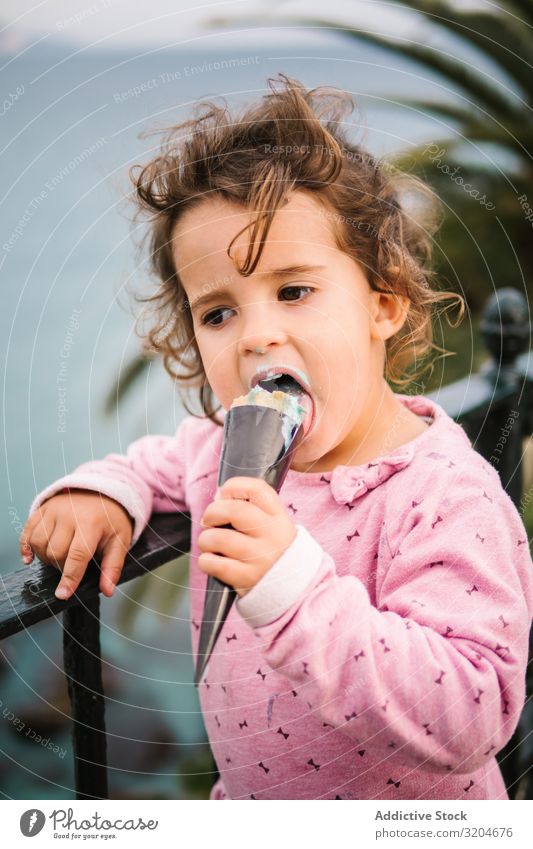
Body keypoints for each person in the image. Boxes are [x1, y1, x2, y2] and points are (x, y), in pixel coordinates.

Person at [20, 75, 533, 800]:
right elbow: (155, 465)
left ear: (381, 305)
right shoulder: (223, 448)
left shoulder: (443, 495)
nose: (257, 334)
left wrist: (292, 587)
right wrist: (100, 494)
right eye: (219, 312)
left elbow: (472, 716)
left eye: (294, 290)